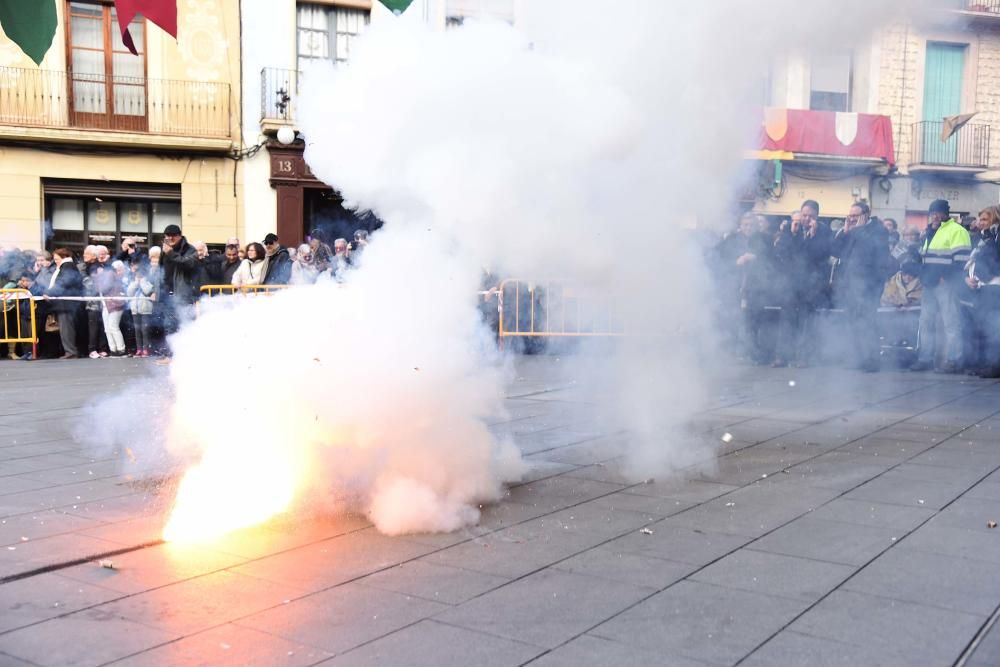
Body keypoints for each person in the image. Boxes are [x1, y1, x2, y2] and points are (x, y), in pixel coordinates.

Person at [911, 199, 971, 372]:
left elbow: (962, 260)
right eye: (932, 213)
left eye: (938, 212)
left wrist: (947, 277)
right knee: (926, 323)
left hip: (946, 284)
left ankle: (954, 361)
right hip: (929, 283)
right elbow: (925, 257)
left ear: (946, 214)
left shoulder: (957, 231)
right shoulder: (930, 232)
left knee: (951, 323)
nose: (934, 216)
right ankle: (925, 359)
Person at [832, 201, 892, 372]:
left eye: (855, 216)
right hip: (851, 284)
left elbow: (872, 251)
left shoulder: (878, 230)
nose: (851, 219)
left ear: (865, 215)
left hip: (869, 285)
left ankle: (871, 360)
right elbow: (836, 251)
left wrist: (857, 229)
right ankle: (857, 357)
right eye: (850, 216)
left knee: (867, 321)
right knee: (852, 321)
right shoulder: (851, 231)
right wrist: (844, 233)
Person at [44, 248, 84, 359]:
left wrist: (50, 292)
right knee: (66, 328)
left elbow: (64, 282)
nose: (55, 261)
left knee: (67, 329)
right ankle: (70, 350)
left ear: (64, 257)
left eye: (57, 259)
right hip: (66, 303)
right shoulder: (68, 266)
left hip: (67, 304)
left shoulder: (67, 267)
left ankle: (71, 351)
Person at [160, 224, 200, 330]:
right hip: (168, 296)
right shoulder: (164, 250)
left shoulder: (190, 249)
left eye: (173, 235)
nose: (170, 238)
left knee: (185, 328)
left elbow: (188, 264)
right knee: (169, 328)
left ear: (180, 236)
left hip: (184, 297)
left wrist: (171, 253)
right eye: (167, 235)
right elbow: (161, 270)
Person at [79, 245, 109, 359]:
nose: (84, 255)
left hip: (101, 300)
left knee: (101, 326)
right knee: (93, 326)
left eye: (86, 253)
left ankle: (102, 348)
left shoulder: (99, 266)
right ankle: (92, 349)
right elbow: (88, 283)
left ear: (93, 255)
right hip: (91, 301)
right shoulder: (84, 267)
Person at [127, 258, 157, 357]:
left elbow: (148, 291)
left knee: (145, 330)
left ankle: (146, 349)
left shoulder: (148, 282)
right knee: (137, 330)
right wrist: (136, 283)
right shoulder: (132, 282)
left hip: (145, 309)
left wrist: (142, 282)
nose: (138, 276)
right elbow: (129, 293)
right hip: (135, 309)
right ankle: (139, 349)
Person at [98, 260, 128, 357]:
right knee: (108, 328)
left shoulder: (110, 275)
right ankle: (114, 349)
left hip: (114, 304)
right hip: (107, 304)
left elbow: (104, 288)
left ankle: (120, 349)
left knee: (112, 327)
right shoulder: (112, 275)